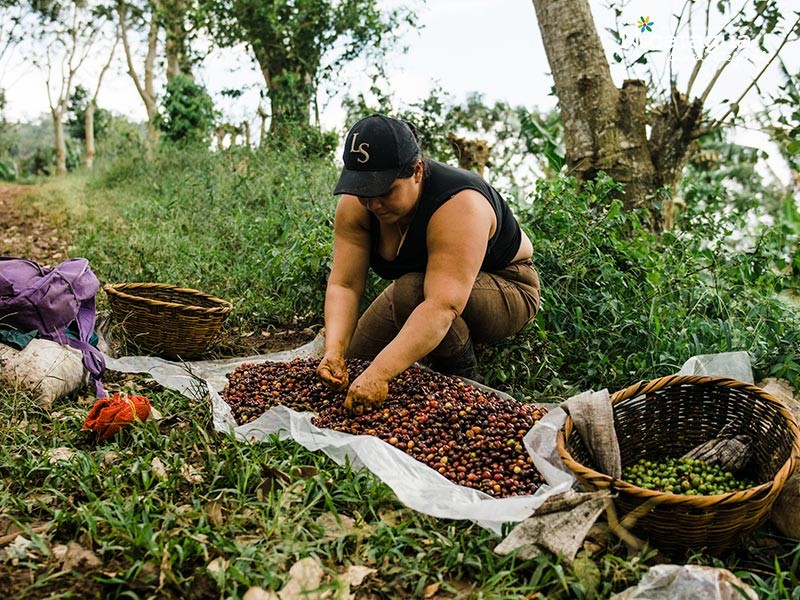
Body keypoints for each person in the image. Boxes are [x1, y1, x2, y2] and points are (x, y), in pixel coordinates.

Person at [316, 113, 540, 414]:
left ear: (417, 171)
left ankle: (465, 380)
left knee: (411, 293)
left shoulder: (459, 203)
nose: (373, 204)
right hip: (428, 284)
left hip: (508, 286)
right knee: (357, 359)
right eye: (364, 191)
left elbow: (441, 305)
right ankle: (429, 352)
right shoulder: (357, 205)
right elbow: (345, 284)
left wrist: (380, 375)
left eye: (384, 191)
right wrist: (335, 352)